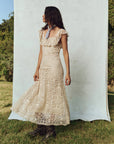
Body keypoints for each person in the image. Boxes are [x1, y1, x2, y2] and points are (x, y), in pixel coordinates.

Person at [11, 6, 71, 142]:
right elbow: (41, 52)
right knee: (40, 96)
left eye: (45, 14)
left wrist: (68, 73)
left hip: (55, 68)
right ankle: (40, 127)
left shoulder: (62, 32)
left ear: (51, 15)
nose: (42, 16)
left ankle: (50, 130)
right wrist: (37, 69)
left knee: (50, 98)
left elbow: (66, 53)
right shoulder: (42, 32)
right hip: (43, 68)